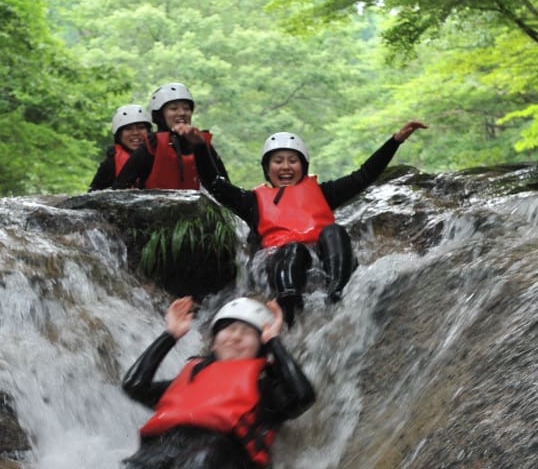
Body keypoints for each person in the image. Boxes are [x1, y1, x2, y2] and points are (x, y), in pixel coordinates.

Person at [194, 122, 428, 325]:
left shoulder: (324, 192)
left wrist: (395, 141)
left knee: (334, 231)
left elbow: (364, 175)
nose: (285, 166)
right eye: (278, 161)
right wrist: (198, 147)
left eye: (292, 161)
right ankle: (288, 301)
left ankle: (337, 291)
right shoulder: (252, 201)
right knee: (293, 248)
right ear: (267, 168)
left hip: (320, 261)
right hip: (278, 264)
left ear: (303, 167)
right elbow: (215, 185)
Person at [122, 296, 315, 468]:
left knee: (207, 455)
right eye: (229, 329)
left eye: (247, 333)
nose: (236, 337)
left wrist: (274, 341)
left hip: (220, 459)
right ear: (214, 342)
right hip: (160, 452)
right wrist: (170, 334)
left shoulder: (265, 389)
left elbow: (303, 396)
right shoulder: (190, 379)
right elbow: (134, 386)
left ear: (261, 346)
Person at [113, 82, 228, 190]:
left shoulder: (201, 144)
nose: (182, 113)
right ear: (160, 115)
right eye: (173, 108)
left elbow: (224, 188)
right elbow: (120, 187)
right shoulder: (152, 145)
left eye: (186, 108)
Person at [89, 104, 153, 191]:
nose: (135, 133)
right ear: (119, 135)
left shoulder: (159, 154)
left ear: (148, 132)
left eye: (141, 127)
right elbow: (93, 194)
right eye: (128, 129)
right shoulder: (110, 162)